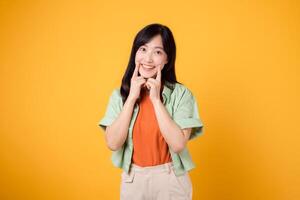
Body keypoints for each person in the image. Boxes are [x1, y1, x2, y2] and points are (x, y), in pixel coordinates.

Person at [98, 23, 204, 200]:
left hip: (170, 179)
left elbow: (178, 144)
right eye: (143, 49)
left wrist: (156, 100)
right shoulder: (120, 96)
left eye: (157, 52)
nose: (148, 59)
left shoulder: (181, 94)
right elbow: (113, 143)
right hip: (134, 179)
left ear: (166, 59)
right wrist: (131, 98)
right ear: (135, 54)